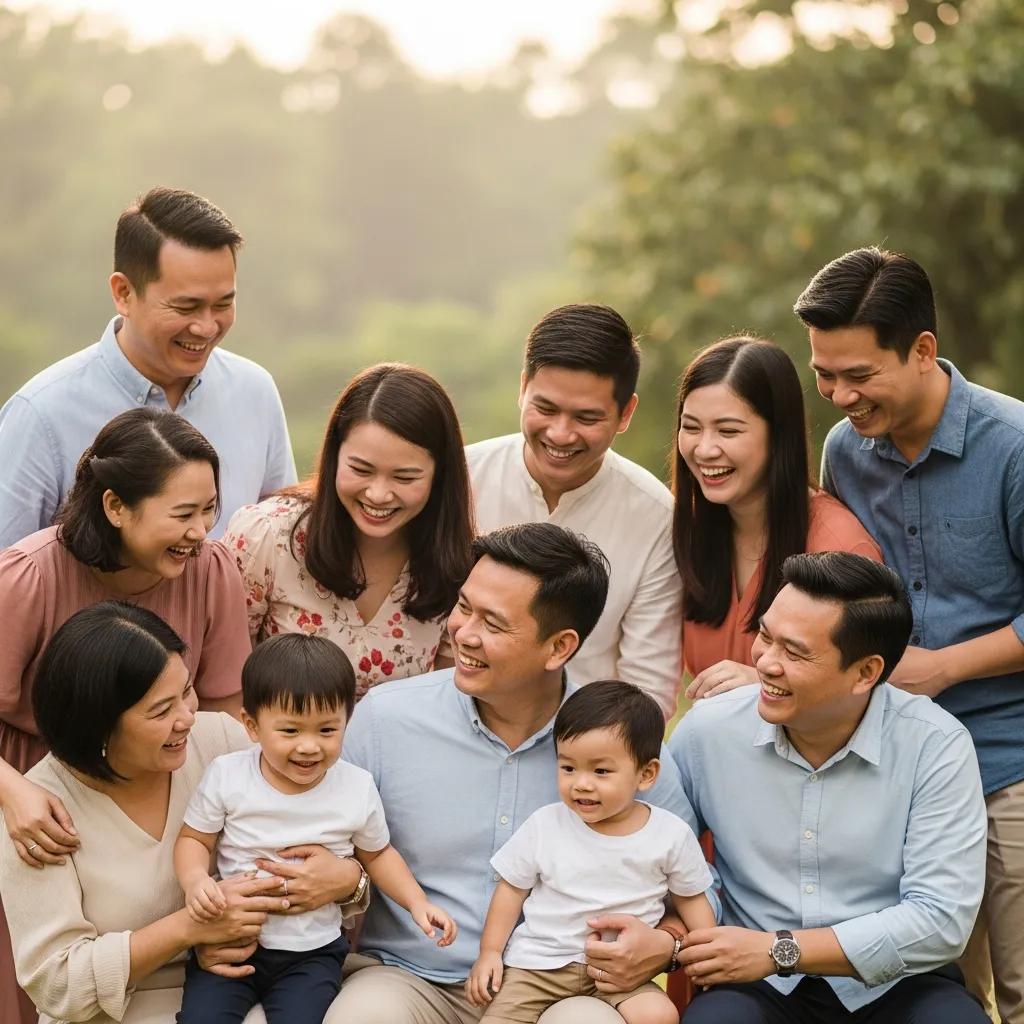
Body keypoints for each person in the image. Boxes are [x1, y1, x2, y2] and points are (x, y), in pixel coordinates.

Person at [315, 522, 712, 1024]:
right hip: (410, 975)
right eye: (464, 607)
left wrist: (665, 943)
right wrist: (348, 883)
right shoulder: (385, 720)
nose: (464, 632)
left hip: (565, 986)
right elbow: (328, 850)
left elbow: (697, 888)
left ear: (559, 647)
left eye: (494, 623)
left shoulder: (620, 744)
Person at [796, 247, 1024, 1023]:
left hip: (1009, 762)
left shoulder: (1014, 446)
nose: (838, 395)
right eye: (825, 375)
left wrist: (945, 666)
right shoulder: (844, 453)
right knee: (937, 997)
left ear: (923, 350)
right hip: (899, 771)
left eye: (857, 375)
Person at [0, 408, 251, 1024]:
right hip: (39, 790)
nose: (200, 531)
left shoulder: (211, 570)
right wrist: (13, 792)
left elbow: (222, 714)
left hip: (166, 767)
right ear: (116, 506)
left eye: (209, 510)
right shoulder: (28, 577)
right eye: (182, 514)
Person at [0, 602, 364, 1024]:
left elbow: (334, 831)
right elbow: (58, 983)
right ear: (98, 724)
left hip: (253, 984)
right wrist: (189, 929)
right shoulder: (39, 813)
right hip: (122, 1011)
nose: (187, 717)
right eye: (161, 710)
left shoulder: (222, 743)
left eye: (186, 691)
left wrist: (349, 880)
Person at [668, 552, 988, 1023]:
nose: (765, 664)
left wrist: (781, 950)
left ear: (865, 672)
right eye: (764, 636)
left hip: (897, 984)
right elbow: (662, 856)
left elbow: (941, 920)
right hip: (756, 987)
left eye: (794, 652)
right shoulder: (707, 733)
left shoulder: (936, 745)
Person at [174, 633, 457, 1024]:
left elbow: (378, 855)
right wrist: (193, 881)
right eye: (290, 731)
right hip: (232, 941)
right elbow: (195, 839)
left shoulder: (355, 787)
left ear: (347, 721)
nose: (309, 746)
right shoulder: (228, 775)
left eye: (326, 730)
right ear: (252, 726)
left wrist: (418, 902)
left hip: (312, 953)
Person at [0, 186, 296, 547]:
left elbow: (280, 547)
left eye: (222, 304)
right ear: (124, 292)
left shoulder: (255, 393)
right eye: (186, 307)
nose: (206, 327)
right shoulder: (42, 414)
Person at [465, 304, 682, 718]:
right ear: (523, 386)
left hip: (579, 747)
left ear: (626, 413)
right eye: (545, 409)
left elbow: (647, 687)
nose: (561, 434)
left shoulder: (656, 517)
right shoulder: (461, 478)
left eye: (587, 417)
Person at [466, 680, 714, 1024]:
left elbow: (691, 899)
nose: (581, 783)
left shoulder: (670, 834)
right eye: (568, 767)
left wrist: (707, 959)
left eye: (601, 771)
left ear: (646, 773)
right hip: (538, 967)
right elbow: (511, 889)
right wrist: (490, 952)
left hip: (617, 973)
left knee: (659, 1014)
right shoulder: (546, 824)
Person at [223, 363, 474, 698]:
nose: (378, 494)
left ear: (440, 476)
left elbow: (446, 699)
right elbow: (223, 685)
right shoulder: (267, 535)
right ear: (334, 455)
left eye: (405, 478)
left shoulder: (459, 562)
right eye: (361, 469)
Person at [674, 337, 880, 700]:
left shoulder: (840, 547)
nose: (704, 449)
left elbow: (866, 691)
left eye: (728, 431)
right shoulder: (686, 527)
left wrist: (766, 681)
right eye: (691, 428)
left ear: (778, 436)